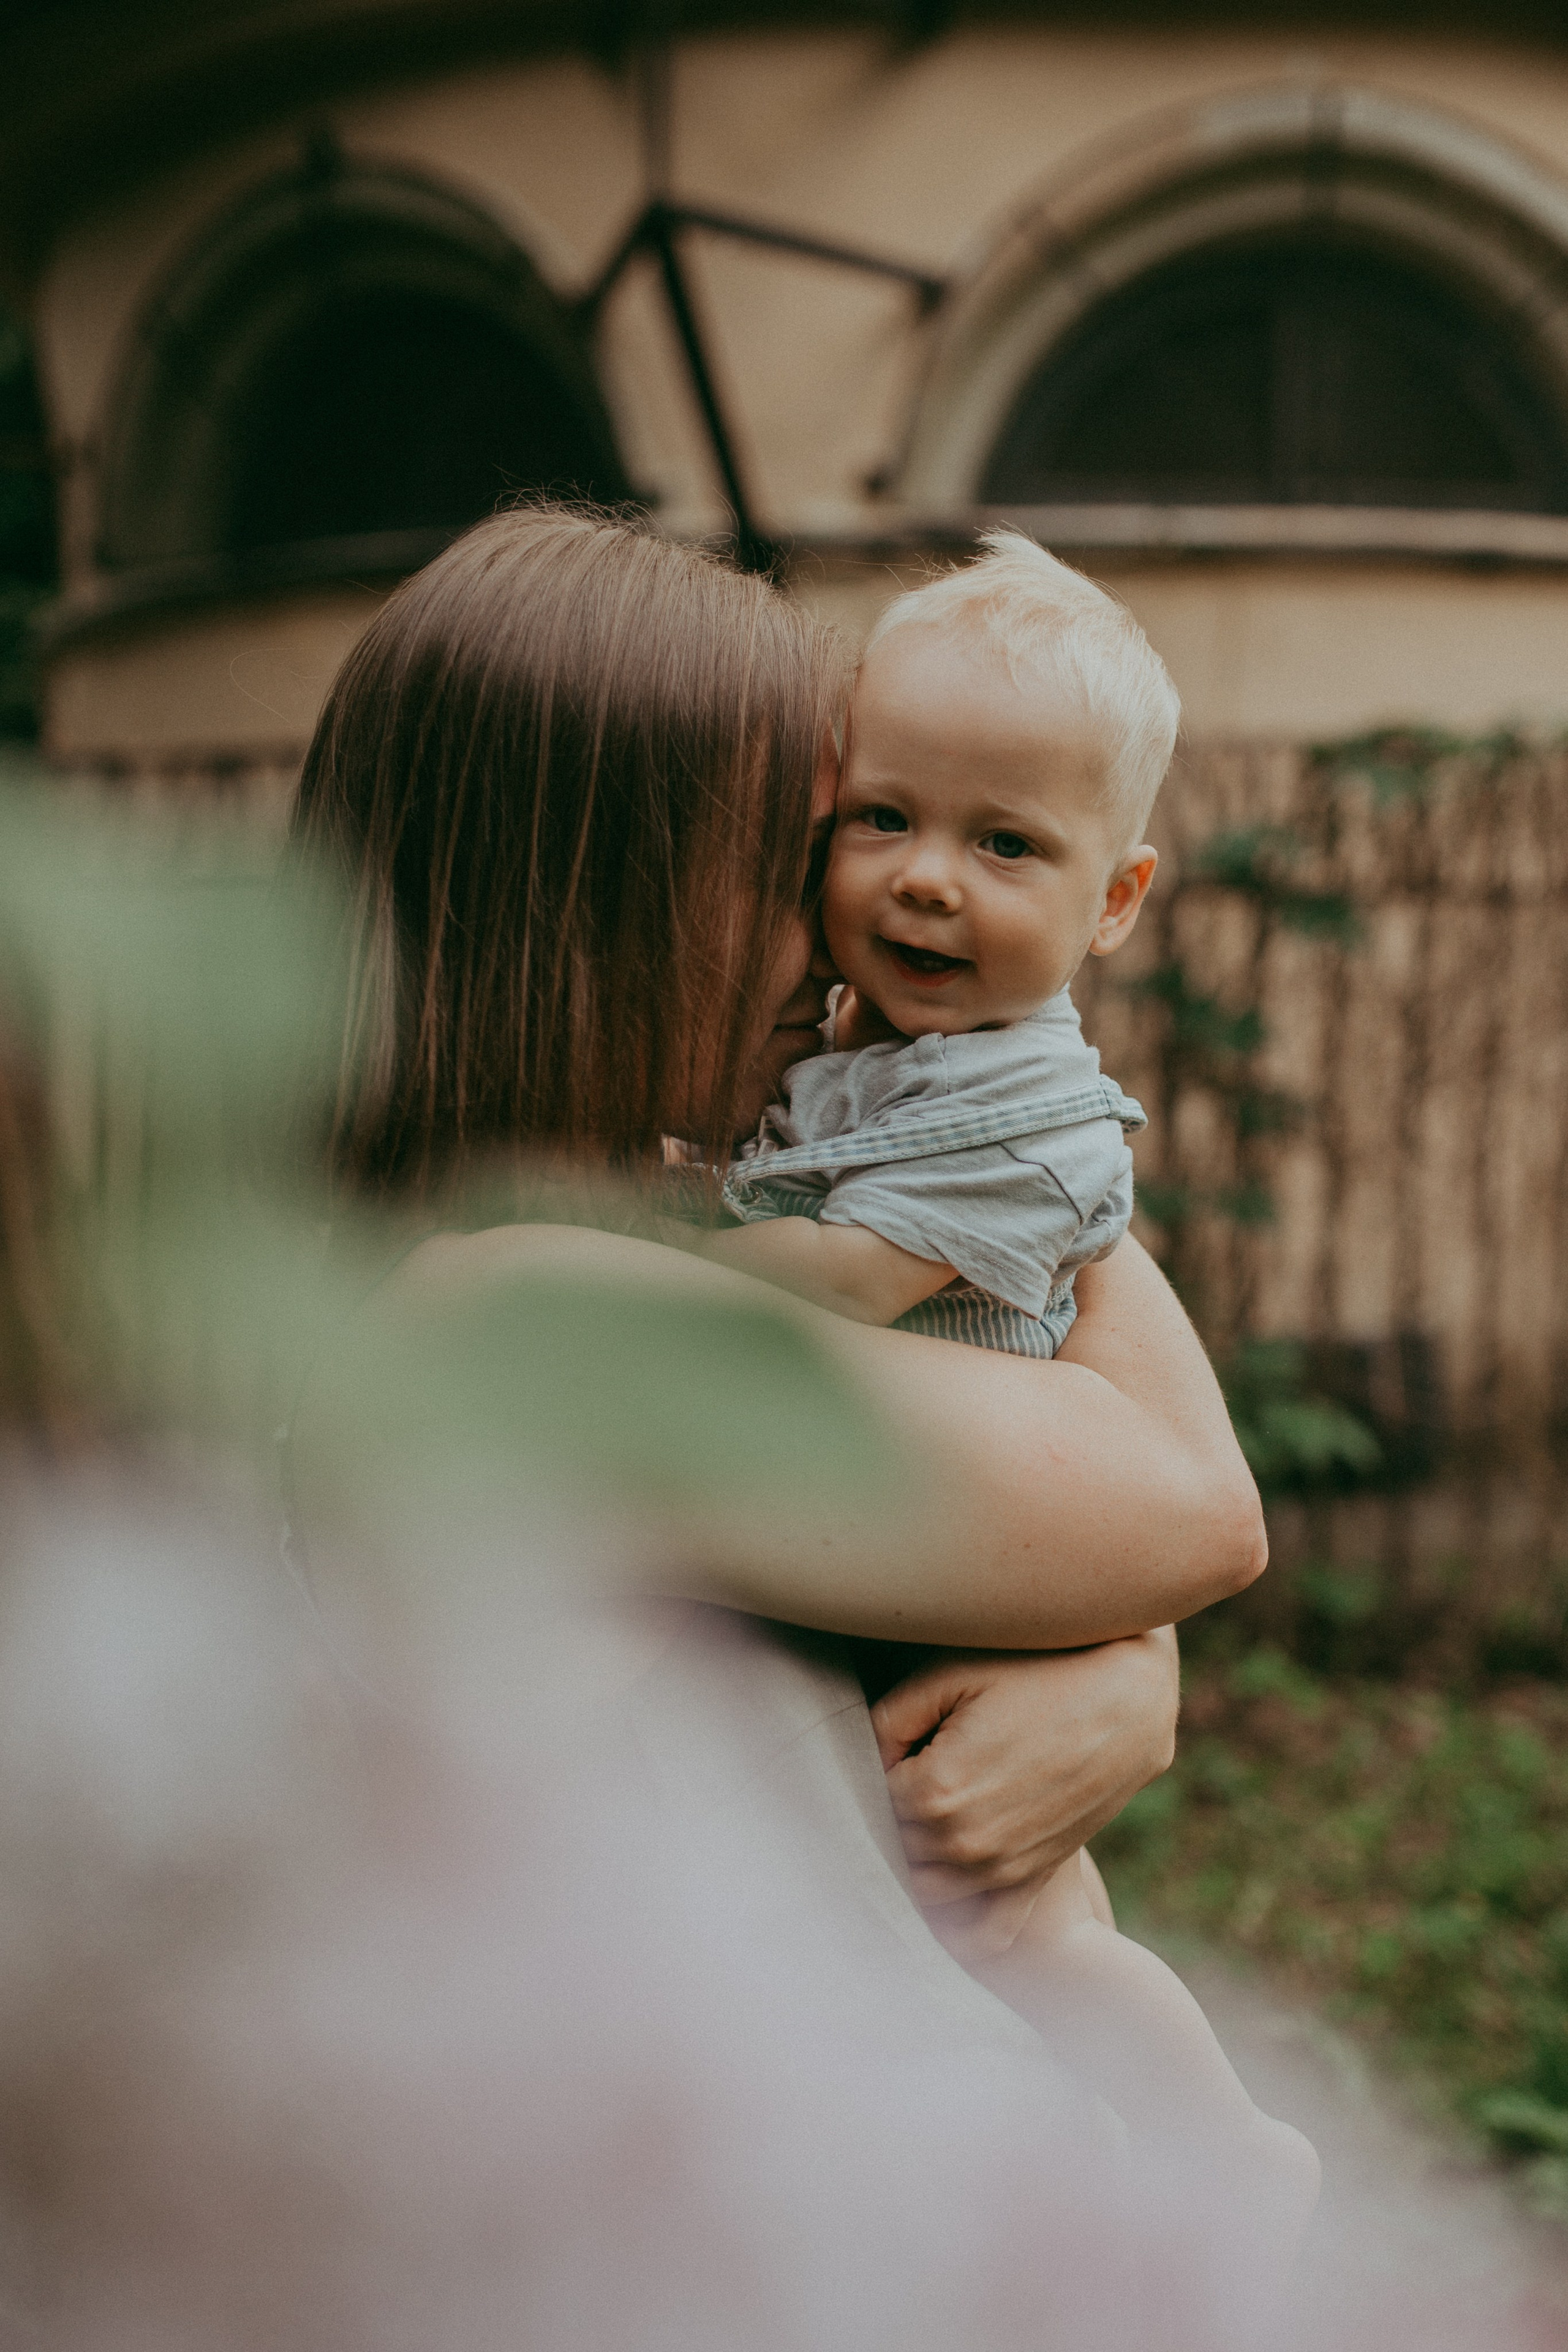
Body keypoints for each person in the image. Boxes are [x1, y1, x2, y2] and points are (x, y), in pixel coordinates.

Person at [292, 503, 1302, 2328]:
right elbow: (1189, 1500)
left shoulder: (441, 1270)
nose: (846, 926)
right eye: (807, 846)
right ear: (598, 897)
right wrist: (1129, 1637)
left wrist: (1110, 1656)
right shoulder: (503, 1317)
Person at [704, 525, 1312, 2198]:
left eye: (1006, 844)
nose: (926, 880)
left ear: (1117, 899)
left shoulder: (1021, 1110)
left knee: (1033, 1933)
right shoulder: (866, 1048)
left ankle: (1230, 2155)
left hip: (958, 1593)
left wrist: (637, 1251)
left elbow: (831, 1279)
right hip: (910, 1570)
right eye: (882, 818)